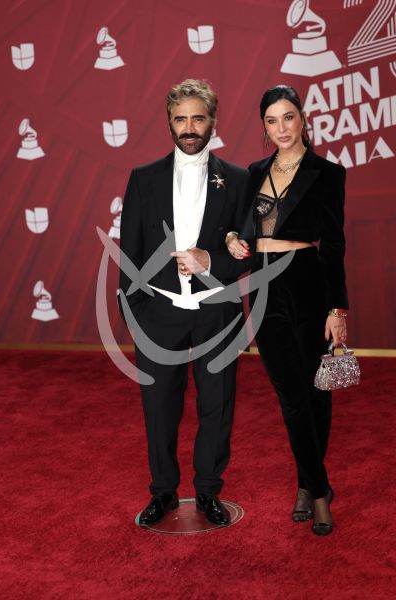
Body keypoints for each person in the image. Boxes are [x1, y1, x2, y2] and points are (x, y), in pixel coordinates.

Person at [119, 79, 251, 527]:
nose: (190, 127)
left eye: (198, 117)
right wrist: (136, 316)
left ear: (213, 121)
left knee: (218, 405)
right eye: (181, 119)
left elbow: (249, 247)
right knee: (160, 408)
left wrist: (213, 258)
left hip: (218, 312)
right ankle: (163, 492)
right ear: (169, 123)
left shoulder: (238, 179)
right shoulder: (143, 178)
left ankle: (209, 491)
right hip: (158, 314)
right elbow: (130, 254)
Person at [226, 85, 348, 536]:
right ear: (264, 126)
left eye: (289, 117)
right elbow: (237, 225)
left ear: (303, 119)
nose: (281, 128)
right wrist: (230, 240)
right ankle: (318, 487)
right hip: (262, 286)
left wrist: (338, 309)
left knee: (316, 394)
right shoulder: (254, 172)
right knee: (290, 396)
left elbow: (333, 247)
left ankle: (311, 490)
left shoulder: (327, 173)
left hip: (307, 282)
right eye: (272, 120)